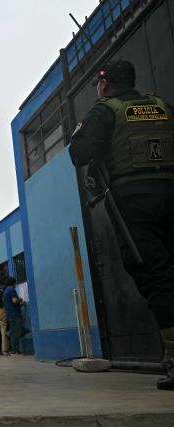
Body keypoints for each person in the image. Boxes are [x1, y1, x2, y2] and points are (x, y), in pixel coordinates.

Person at [69, 59, 174, 391]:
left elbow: (81, 152)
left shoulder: (105, 111)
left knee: (155, 276)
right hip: (170, 191)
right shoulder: (162, 106)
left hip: (133, 198)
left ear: (104, 83)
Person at [3, 277, 24, 354]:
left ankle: (14, 348)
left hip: (10, 314)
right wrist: (20, 300)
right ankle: (15, 349)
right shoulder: (12, 290)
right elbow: (14, 300)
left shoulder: (5, 291)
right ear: (13, 283)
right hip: (14, 314)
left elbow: (10, 303)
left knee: (13, 332)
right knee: (16, 332)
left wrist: (20, 304)